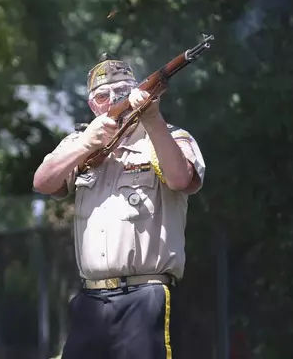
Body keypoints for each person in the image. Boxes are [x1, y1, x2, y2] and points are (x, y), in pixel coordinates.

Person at [33, 54, 206, 359]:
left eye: (123, 91)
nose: (114, 99)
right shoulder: (80, 142)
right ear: (93, 105)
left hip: (145, 295)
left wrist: (152, 118)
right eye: (103, 95)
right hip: (91, 299)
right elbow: (43, 182)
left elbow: (181, 179)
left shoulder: (168, 137)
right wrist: (87, 143)